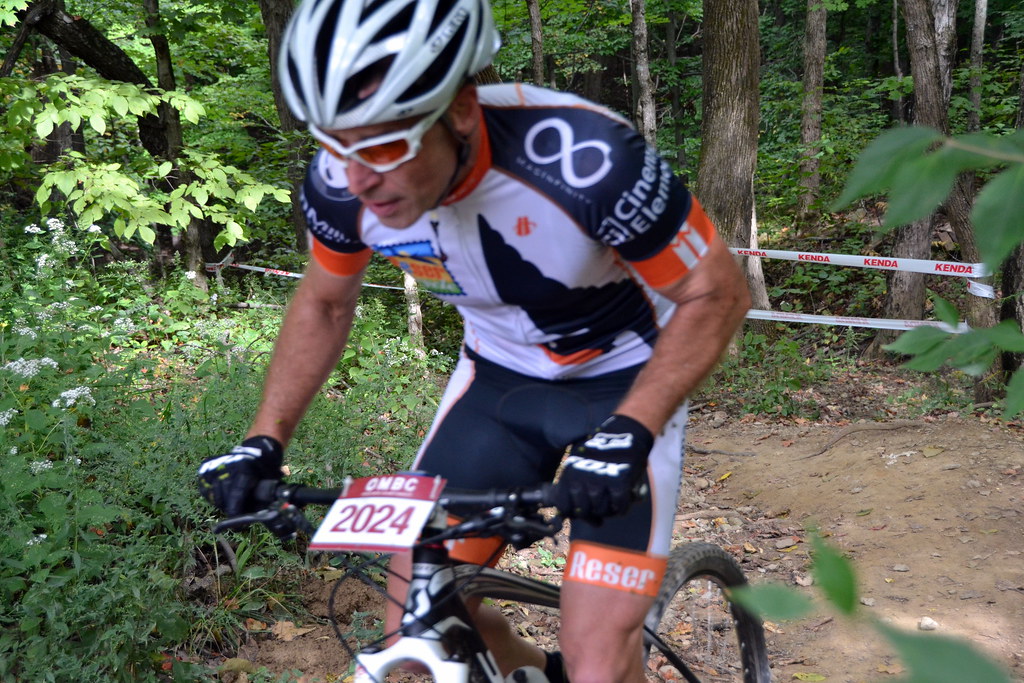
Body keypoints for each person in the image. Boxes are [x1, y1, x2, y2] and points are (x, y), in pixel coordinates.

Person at [198, 0, 751, 679]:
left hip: (626, 379)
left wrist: (633, 429)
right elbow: (323, 303)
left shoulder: (585, 161)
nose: (357, 178)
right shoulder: (342, 183)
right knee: (410, 602)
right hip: (498, 383)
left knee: (597, 657)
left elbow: (717, 293)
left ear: (460, 109)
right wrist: (264, 442)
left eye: (382, 144)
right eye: (335, 145)